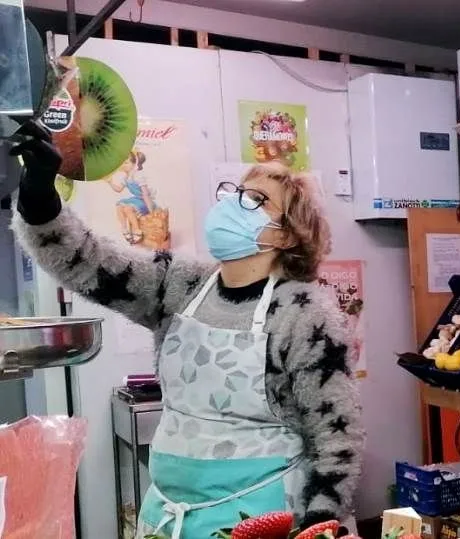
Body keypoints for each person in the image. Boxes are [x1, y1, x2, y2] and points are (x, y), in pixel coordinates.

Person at [10, 121, 364, 539]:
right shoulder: (177, 285)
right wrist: (39, 199)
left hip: (260, 520)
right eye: (235, 193)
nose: (235, 204)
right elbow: (88, 261)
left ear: (287, 235)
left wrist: (317, 529)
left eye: (256, 200)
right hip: (168, 517)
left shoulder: (304, 314)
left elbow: (336, 440)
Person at [106, 150, 155, 244]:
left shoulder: (138, 175)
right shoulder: (125, 177)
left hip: (144, 201)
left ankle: (137, 230)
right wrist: (110, 182)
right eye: (121, 163)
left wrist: (151, 210)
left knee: (128, 208)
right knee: (119, 206)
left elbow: (145, 194)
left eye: (126, 162)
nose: (123, 165)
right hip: (136, 200)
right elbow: (119, 189)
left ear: (134, 163)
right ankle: (125, 229)